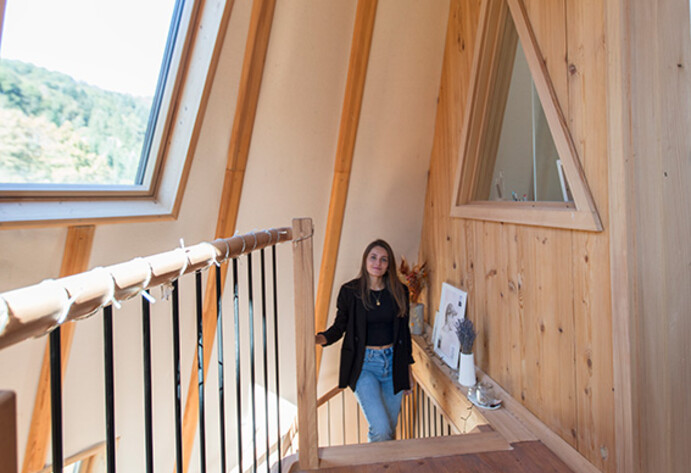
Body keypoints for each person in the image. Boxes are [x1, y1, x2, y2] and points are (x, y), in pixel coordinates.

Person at [315, 239, 414, 442]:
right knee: (381, 429)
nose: (378, 263)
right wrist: (318, 338)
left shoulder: (399, 292)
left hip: (394, 365)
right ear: (365, 260)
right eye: (373, 257)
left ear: (389, 265)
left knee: (389, 429)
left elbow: (404, 334)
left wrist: (408, 372)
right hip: (365, 366)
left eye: (383, 259)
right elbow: (339, 327)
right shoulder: (350, 292)